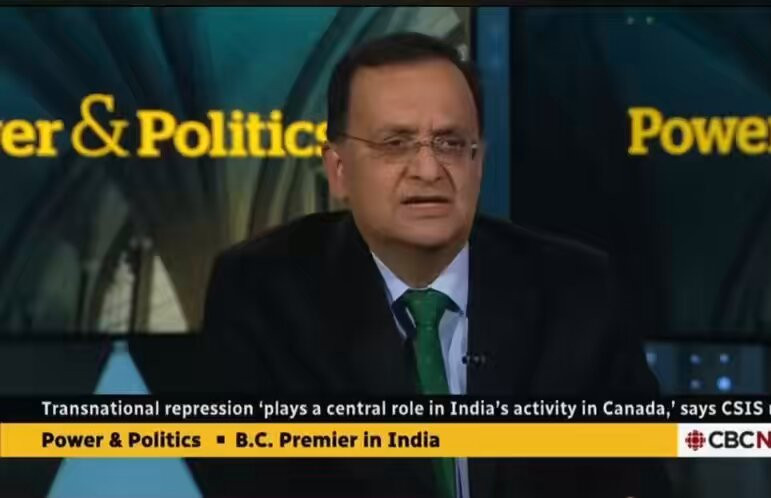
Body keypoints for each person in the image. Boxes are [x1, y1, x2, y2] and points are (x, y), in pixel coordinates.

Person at [194, 32, 670, 498]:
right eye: (395, 143)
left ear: (478, 163)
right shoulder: (264, 295)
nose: (427, 170)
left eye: (450, 143)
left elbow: (637, 476)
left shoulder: (577, 290)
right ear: (339, 171)